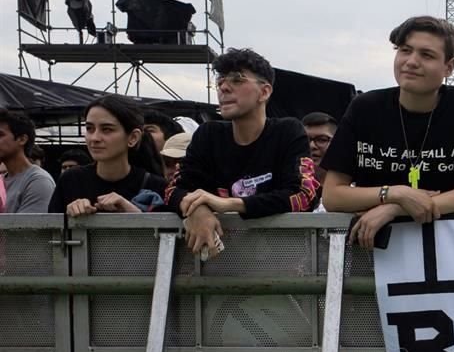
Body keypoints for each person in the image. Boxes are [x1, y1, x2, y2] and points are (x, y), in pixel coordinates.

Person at [321, 15, 454, 248]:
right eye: (405, 50)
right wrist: (394, 194)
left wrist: (395, 209)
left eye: (427, 55)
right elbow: (332, 196)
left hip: (448, 248)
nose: (411, 61)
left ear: (449, 66)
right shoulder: (365, 107)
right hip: (373, 249)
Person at [165, 47, 319, 258]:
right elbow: (174, 190)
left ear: (264, 92)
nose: (224, 88)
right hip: (217, 264)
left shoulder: (287, 131)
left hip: (282, 261)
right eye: (220, 82)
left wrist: (229, 204)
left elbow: (302, 195)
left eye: (237, 80)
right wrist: (198, 210)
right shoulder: (208, 134)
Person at [48, 95, 166, 215]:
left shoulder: (157, 186)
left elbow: (167, 232)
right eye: (89, 128)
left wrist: (133, 212)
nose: (95, 138)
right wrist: (69, 217)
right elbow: (50, 230)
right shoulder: (70, 181)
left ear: (133, 137)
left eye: (107, 129)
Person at [0, 109, 55, 213]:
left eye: (0, 135)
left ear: (22, 139)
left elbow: (25, 228)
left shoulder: (38, 181)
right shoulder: (2, 180)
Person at [302, 111, 337, 191]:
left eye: (322, 140)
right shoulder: (288, 188)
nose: (312, 146)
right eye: (305, 140)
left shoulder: (353, 188)